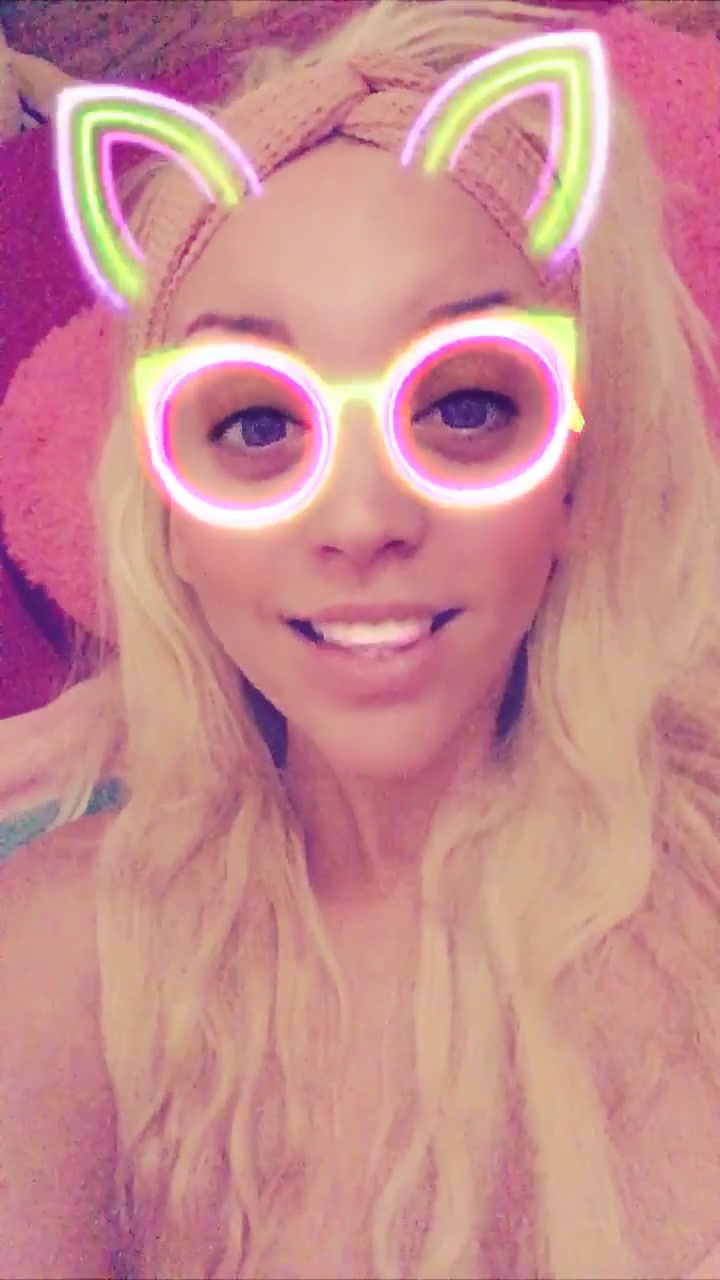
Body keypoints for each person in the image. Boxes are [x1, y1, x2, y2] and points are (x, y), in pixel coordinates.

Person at [2, 2, 720, 1277]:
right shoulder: (65, 949)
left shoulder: (688, 953)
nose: (362, 518)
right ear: (171, 522)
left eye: (464, 404)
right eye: (257, 426)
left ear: (576, 479)